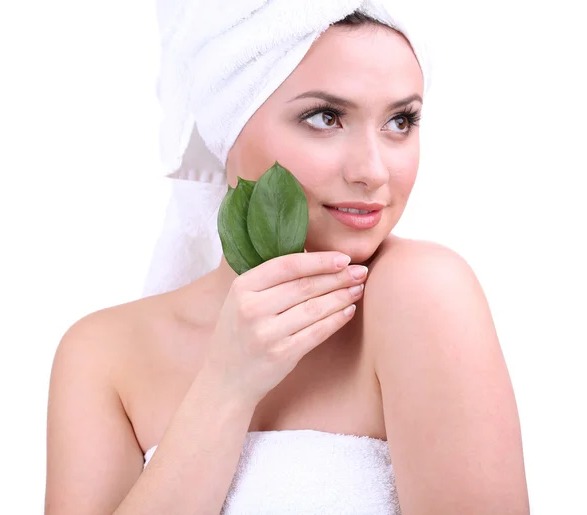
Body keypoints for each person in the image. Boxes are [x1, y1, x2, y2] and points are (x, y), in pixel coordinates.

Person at [45, 3, 530, 514]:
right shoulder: (104, 354)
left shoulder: (424, 295)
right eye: (325, 117)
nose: (373, 171)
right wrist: (228, 385)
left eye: (400, 121)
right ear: (227, 129)